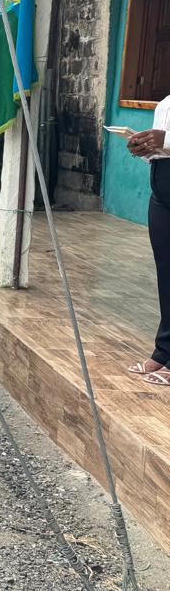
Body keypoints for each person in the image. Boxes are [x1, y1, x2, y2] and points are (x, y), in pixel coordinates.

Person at [127, 108, 170, 386]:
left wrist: (165, 140)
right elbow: (162, 152)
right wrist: (143, 149)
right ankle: (164, 350)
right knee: (166, 275)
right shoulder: (164, 103)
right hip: (162, 195)